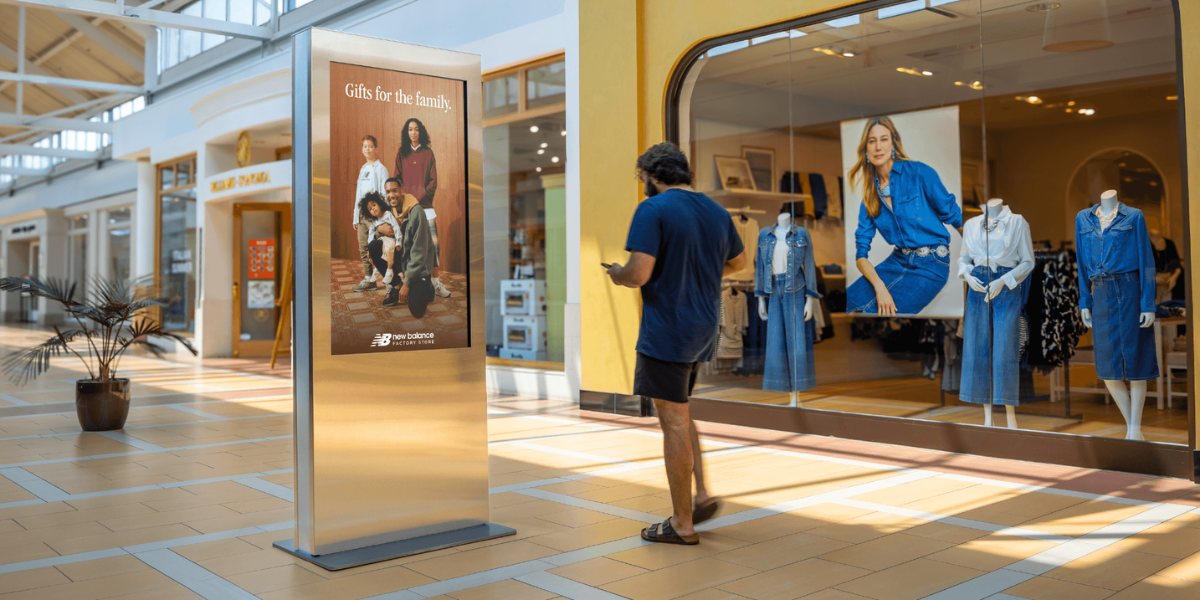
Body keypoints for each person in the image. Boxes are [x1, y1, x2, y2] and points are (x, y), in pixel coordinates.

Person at [606, 142, 745, 545]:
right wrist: (700, 267)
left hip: (668, 329)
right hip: (703, 328)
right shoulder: (716, 212)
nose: (642, 184)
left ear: (651, 175)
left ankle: (682, 524)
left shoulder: (653, 209)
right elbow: (740, 263)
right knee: (681, 412)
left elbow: (639, 274)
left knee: (673, 421)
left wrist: (617, 273)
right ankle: (701, 495)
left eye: (642, 178)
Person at [845, 116, 962, 315]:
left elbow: (954, 216)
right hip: (896, 261)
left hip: (931, 265)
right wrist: (879, 286)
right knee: (850, 303)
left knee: (877, 313)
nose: (878, 147)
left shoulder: (919, 173)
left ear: (893, 143)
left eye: (883, 139)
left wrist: (980, 257)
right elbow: (861, 255)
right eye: (872, 141)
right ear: (866, 150)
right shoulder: (869, 195)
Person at [395, 118, 452, 299]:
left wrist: (419, 200)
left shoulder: (428, 153)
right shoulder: (401, 153)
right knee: (408, 247)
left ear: (421, 132)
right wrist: (407, 203)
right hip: (407, 209)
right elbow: (397, 180)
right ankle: (408, 283)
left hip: (425, 207)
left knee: (433, 246)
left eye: (416, 129)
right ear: (407, 133)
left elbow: (433, 182)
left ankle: (435, 283)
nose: (413, 132)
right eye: (410, 129)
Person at [380, 181, 436, 316]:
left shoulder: (417, 212)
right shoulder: (389, 211)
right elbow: (377, 227)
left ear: (401, 191)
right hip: (403, 261)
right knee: (374, 247)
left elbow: (419, 252)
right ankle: (396, 286)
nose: (391, 195)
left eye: (394, 190)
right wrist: (378, 229)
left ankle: (428, 287)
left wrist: (407, 283)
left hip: (420, 267)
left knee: (416, 310)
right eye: (388, 192)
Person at [353, 135, 390, 292]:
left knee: (377, 250)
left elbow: (384, 196)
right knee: (363, 248)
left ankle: (390, 281)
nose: (367, 149)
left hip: (374, 216)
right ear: (362, 149)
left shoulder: (381, 169)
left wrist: (381, 218)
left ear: (375, 148)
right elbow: (358, 194)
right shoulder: (363, 169)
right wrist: (355, 216)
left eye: (370, 146)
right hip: (362, 216)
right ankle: (369, 279)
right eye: (365, 146)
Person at [358, 191, 399, 285]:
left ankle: (389, 272)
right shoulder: (374, 221)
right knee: (370, 250)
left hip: (392, 239)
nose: (373, 209)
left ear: (379, 204)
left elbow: (395, 228)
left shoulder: (388, 214)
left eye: (374, 205)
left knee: (388, 249)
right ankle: (377, 268)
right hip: (382, 239)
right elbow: (371, 233)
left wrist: (399, 242)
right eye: (370, 209)